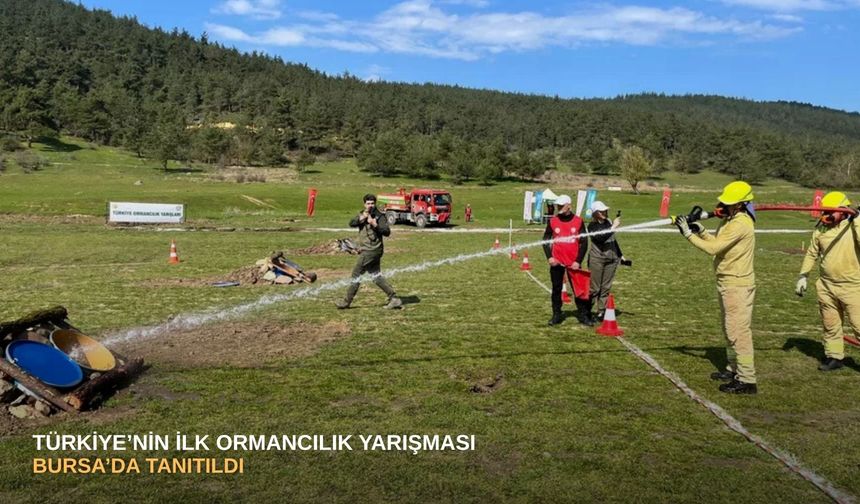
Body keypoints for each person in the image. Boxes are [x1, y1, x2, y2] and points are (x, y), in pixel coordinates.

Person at [675, 181, 757, 394]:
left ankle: (747, 379)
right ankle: (733, 369)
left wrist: (688, 234)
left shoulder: (740, 223)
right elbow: (719, 243)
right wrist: (700, 230)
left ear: (740, 204)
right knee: (729, 328)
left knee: (738, 331)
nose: (723, 205)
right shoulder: (731, 221)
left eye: (729, 203)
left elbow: (713, 249)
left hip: (737, 283)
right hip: (727, 281)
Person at [795, 191, 860, 371]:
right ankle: (834, 357)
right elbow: (811, 253)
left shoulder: (854, 226)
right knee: (830, 324)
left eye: (830, 211)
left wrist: (858, 220)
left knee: (859, 326)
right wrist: (803, 276)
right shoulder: (821, 229)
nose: (826, 215)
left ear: (844, 210)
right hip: (826, 285)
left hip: (853, 287)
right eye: (824, 211)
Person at [336, 194, 402, 310]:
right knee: (376, 276)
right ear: (364, 204)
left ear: (375, 204)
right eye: (368, 203)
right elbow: (351, 223)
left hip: (371, 251)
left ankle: (346, 302)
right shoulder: (363, 213)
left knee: (356, 275)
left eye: (372, 203)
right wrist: (360, 218)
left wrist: (374, 224)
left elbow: (386, 232)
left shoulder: (380, 216)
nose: (370, 206)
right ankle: (394, 298)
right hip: (369, 251)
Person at [543, 194, 593, 326]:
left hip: (574, 263)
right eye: (558, 205)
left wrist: (578, 260)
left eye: (561, 205)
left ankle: (583, 315)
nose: (558, 207)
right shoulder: (553, 221)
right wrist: (550, 257)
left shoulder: (578, 221)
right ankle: (556, 315)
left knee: (579, 289)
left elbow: (584, 242)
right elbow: (545, 240)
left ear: (569, 205)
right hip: (557, 262)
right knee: (556, 289)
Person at [587, 201, 624, 321]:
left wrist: (620, 255)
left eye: (604, 210)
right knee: (595, 288)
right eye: (600, 211)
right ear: (595, 213)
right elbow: (600, 239)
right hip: (597, 259)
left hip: (612, 258)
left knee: (606, 287)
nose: (604, 212)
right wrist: (613, 227)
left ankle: (601, 312)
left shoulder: (608, 222)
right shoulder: (592, 226)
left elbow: (612, 240)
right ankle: (587, 310)